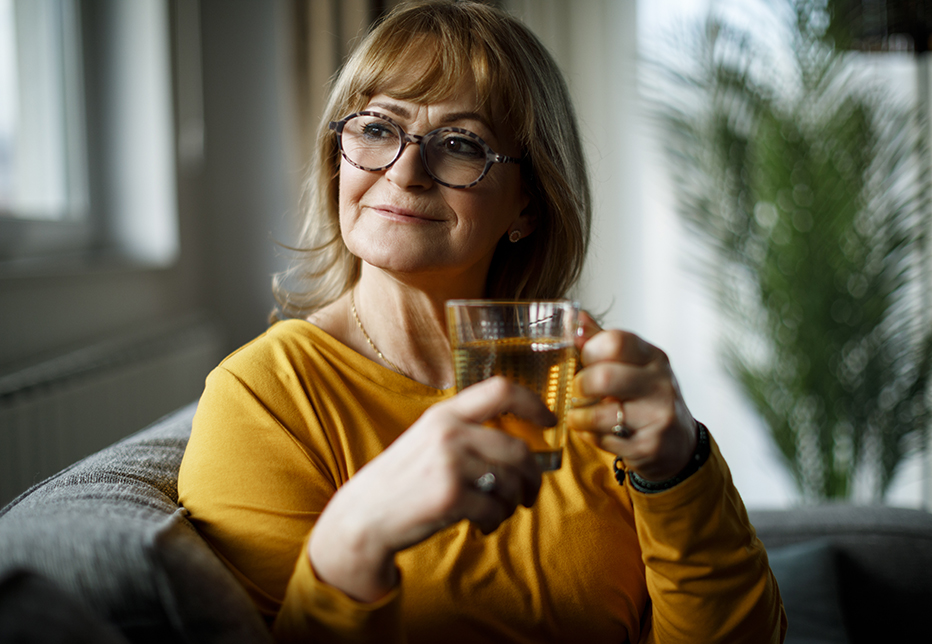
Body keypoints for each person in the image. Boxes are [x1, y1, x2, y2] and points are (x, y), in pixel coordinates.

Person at [178, 2, 787, 642]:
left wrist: (680, 468)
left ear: (527, 202)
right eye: (378, 129)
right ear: (339, 158)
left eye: (461, 144)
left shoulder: (598, 391)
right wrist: (356, 537)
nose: (406, 172)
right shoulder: (262, 398)